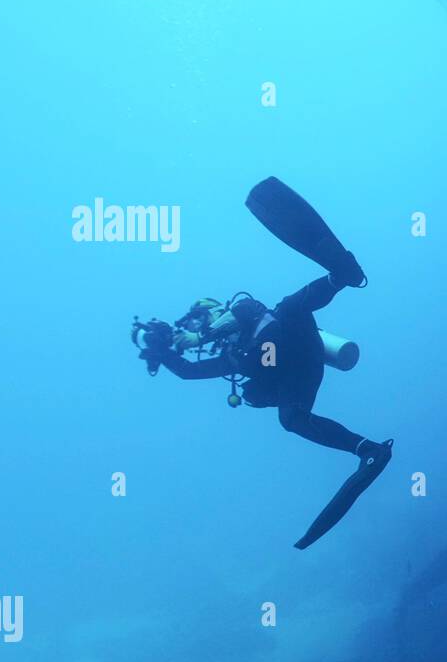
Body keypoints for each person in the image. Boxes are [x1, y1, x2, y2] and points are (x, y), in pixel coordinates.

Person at [137, 177, 393, 548]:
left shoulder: (243, 311)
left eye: (200, 318)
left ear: (212, 311)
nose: (198, 327)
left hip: (294, 339)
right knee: (290, 420)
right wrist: (163, 352)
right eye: (195, 325)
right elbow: (190, 371)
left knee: (287, 307)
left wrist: (199, 336)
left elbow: (240, 313)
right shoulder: (230, 357)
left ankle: (340, 276)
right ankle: (367, 449)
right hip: (295, 373)